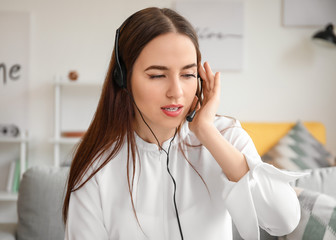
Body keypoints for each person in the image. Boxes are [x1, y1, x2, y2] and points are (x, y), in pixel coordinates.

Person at [63, 7, 305, 240]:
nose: (176, 92)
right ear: (123, 78)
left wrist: (206, 132)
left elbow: (284, 220)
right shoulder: (97, 166)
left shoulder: (224, 137)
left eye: (188, 74)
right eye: (157, 75)